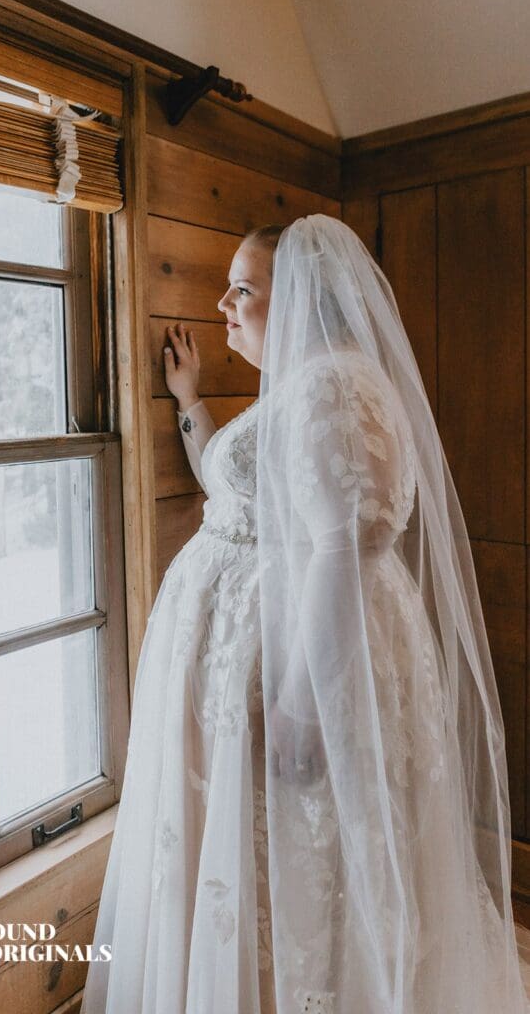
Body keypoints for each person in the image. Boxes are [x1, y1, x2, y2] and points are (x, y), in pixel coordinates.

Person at [81, 214, 530, 1013]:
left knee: (296, 860)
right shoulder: (307, 382)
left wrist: (299, 704)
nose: (223, 303)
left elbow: (340, 550)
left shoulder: (332, 383)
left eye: (244, 288)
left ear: (303, 300)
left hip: (299, 666)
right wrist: (188, 403)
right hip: (260, 655)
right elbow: (241, 491)